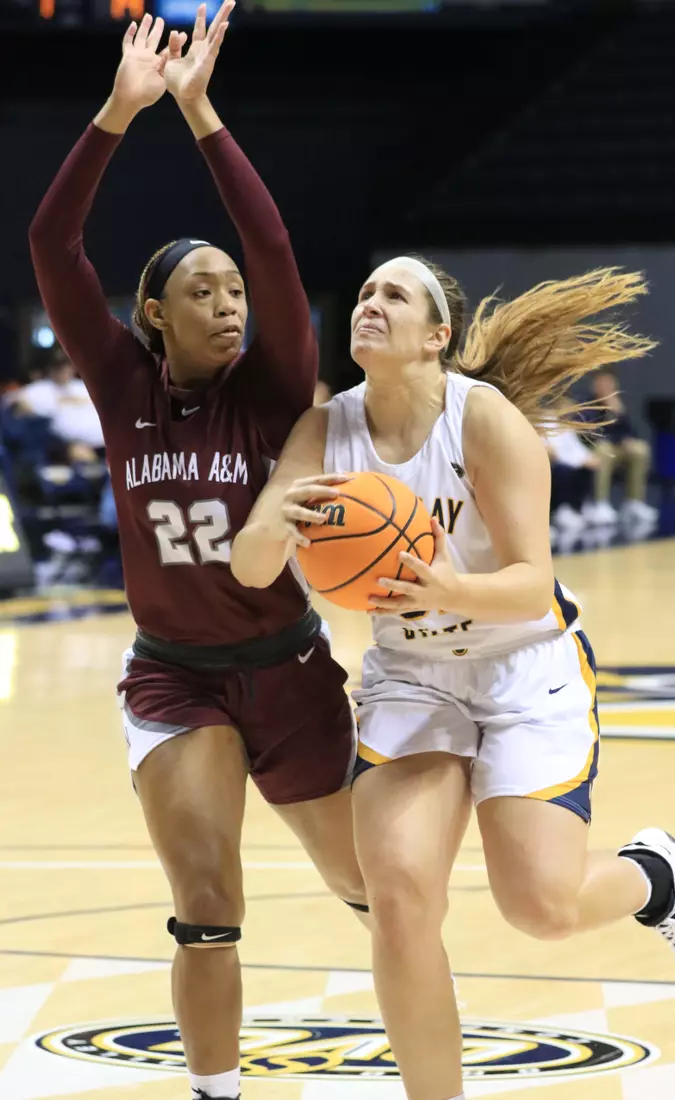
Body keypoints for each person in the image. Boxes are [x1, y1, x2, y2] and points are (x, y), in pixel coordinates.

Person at [231, 259, 675, 1100]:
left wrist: (447, 585)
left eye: (393, 294)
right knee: (397, 906)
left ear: (438, 338)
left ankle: (657, 878)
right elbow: (252, 569)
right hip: (414, 678)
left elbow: (532, 582)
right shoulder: (325, 430)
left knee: (540, 908)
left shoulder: (486, 420)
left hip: (522, 666)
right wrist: (271, 523)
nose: (369, 303)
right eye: (363, 293)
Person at [29, 7, 365, 1100]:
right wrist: (118, 115)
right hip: (175, 671)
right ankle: (213, 1092)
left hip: (293, 667)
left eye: (234, 292)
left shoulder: (270, 386)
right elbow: (50, 243)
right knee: (208, 906)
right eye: (203, 293)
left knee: (379, 890)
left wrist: (201, 109)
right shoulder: (120, 383)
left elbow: (272, 249)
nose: (231, 304)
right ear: (153, 315)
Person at [586, 368, 657, 524]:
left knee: (640, 449)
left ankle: (634, 502)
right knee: (603, 450)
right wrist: (619, 438)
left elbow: (631, 431)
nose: (606, 386)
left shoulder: (617, 404)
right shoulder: (588, 405)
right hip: (599, 447)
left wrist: (619, 414)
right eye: (602, 382)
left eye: (609, 383)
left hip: (617, 447)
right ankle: (599, 503)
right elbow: (594, 433)